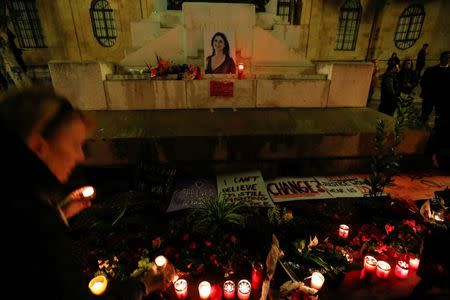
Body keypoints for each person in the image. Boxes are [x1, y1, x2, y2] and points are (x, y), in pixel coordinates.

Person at [1, 86, 176, 299]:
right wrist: (142, 286)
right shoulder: (37, 228)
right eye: (75, 144)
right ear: (39, 146)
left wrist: (59, 212)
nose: (80, 156)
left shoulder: (22, 193)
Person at [420, 51, 450, 169]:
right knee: (425, 117)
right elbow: (424, 83)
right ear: (441, 58)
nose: (448, 59)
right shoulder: (431, 70)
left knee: (440, 124)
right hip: (431, 99)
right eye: (446, 57)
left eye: (449, 58)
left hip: (444, 103)